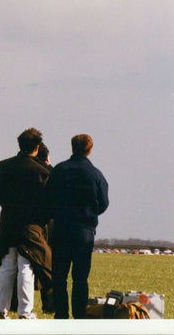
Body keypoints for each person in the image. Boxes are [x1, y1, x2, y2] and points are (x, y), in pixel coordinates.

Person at [0, 127, 52, 320]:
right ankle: (25, 313)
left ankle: (0, 310)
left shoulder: (6, 167)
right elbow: (48, 201)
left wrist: (9, 206)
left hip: (8, 222)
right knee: (27, 266)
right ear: (37, 146)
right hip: (31, 226)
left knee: (7, 266)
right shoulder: (43, 172)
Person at [46, 134, 109, 319]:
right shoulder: (96, 174)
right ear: (90, 150)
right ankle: (80, 316)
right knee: (80, 278)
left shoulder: (58, 170)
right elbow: (104, 203)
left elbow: (47, 197)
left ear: (72, 148)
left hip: (61, 230)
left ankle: (61, 314)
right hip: (84, 232)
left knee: (59, 277)